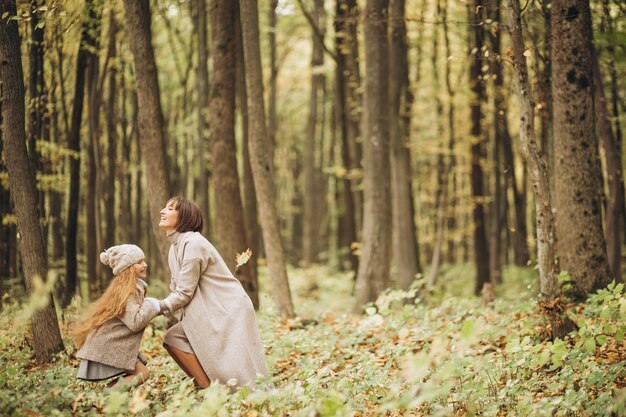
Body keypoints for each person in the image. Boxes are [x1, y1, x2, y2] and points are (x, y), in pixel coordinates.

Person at [157, 196, 268, 389]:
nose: (163, 211)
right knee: (173, 338)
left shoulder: (194, 243)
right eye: (165, 207)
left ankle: (240, 398)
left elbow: (184, 293)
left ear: (184, 216)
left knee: (238, 368)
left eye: (170, 208)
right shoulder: (174, 248)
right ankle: (208, 389)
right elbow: (177, 288)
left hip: (229, 308)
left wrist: (155, 308)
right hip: (209, 310)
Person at [71, 244, 161, 388]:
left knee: (141, 372)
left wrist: (158, 306)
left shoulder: (130, 287)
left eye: (143, 261)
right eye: (139, 262)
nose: (145, 264)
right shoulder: (128, 291)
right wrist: (153, 304)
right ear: (128, 268)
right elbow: (135, 322)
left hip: (111, 342)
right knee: (142, 373)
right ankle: (108, 398)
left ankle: (109, 397)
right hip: (109, 344)